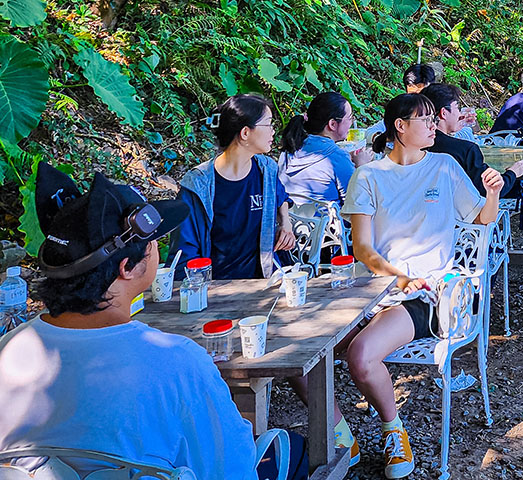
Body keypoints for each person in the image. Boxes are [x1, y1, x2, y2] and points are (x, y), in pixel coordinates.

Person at [0, 165, 307, 480]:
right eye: (154, 243)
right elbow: (233, 470)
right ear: (127, 268)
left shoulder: (7, 349)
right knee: (294, 449)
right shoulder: (177, 362)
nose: (158, 250)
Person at [340, 94, 504, 478]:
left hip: (427, 293)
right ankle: (338, 434)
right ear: (400, 126)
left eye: (434, 119)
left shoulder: (444, 167)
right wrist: (396, 276)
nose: (435, 126)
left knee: (361, 357)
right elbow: (362, 247)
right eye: (425, 119)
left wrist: (493, 193)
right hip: (370, 289)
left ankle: (393, 429)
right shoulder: (368, 175)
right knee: (301, 355)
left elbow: (481, 218)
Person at [174, 94, 297, 281]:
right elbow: (185, 253)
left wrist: (285, 223)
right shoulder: (198, 186)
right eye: (269, 124)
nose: (273, 132)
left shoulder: (266, 170)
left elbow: (280, 197)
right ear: (245, 133)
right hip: (217, 287)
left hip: (265, 280)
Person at [422, 83, 523, 197]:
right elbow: (490, 189)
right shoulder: (466, 150)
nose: (459, 113)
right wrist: (513, 173)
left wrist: (454, 126)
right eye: (457, 108)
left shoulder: (412, 145)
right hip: (460, 212)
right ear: (444, 113)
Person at [278, 92, 371, 205]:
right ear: (332, 124)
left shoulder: (290, 147)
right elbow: (358, 205)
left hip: (292, 221)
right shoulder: (337, 159)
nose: (351, 122)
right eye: (350, 118)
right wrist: (362, 167)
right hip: (328, 222)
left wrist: (346, 158)